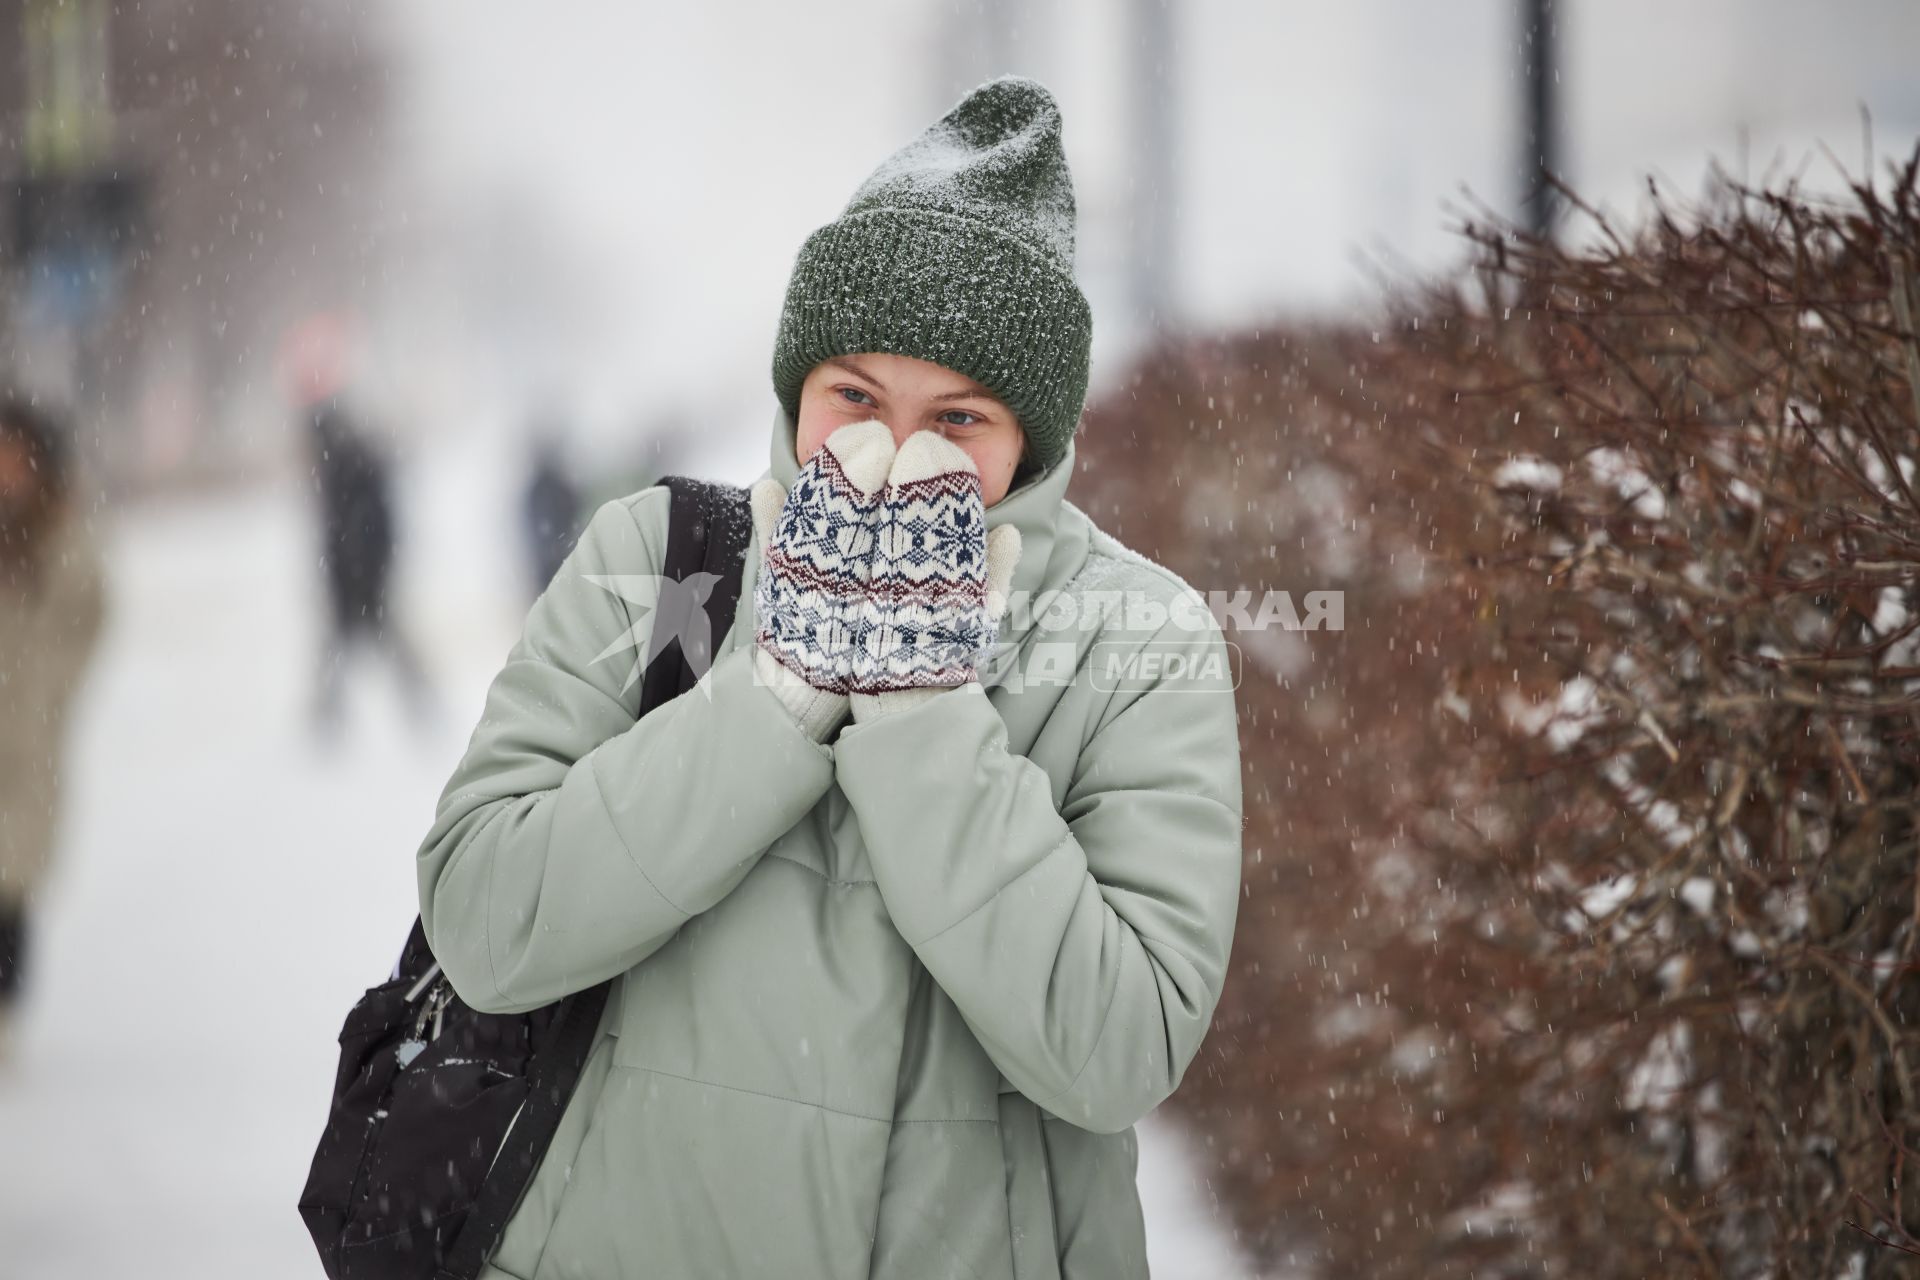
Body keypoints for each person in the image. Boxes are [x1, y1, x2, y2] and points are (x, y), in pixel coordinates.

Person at [417, 77, 1243, 1280]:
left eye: (957, 420)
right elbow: (488, 920)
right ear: (795, 390)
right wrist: (775, 696)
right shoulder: (660, 561)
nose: (893, 451)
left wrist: (921, 714)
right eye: (854, 396)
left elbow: (1117, 1044)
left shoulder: (1136, 636)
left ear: (1035, 442)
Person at [0, 392, 106, 1064]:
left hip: (29, 731)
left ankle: (6, 1005)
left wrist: (52, 691)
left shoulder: (61, 532)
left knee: (11, 878)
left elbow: (90, 614)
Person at [305, 397, 432, 737]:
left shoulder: (350, 465)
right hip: (354, 576)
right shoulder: (344, 464)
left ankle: (421, 699)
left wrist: (366, 570)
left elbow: (368, 527)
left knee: (374, 643)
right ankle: (328, 713)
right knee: (348, 648)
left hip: (361, 577)